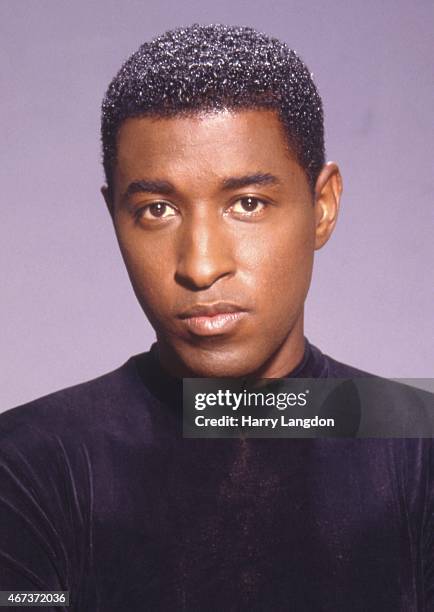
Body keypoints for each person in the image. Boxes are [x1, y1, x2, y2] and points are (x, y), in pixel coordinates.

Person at [0, 24, 432, 611]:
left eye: (247, 204)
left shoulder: (417, 445)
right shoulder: (28, 461)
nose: (201, 266)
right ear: (113, 216)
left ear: (323, 206)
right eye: (156, 209)